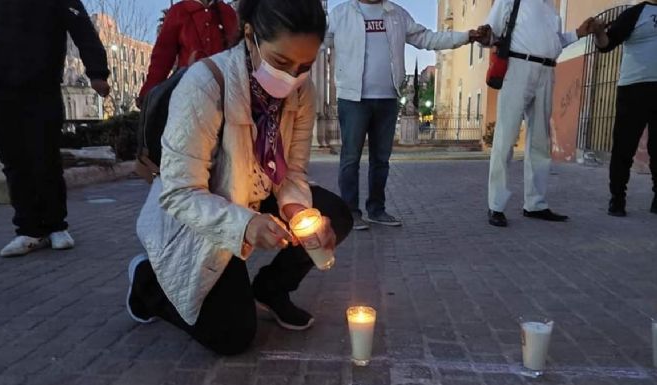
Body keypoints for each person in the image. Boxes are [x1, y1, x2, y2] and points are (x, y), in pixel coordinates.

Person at [129, 0, 353, 355]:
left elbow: (293, 171)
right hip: (206, 207)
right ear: (250, 35)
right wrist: (246, 226)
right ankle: (147, 282)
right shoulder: (206, 83)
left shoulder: (302, 91)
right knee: (231, 336)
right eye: (281, 62)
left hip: (256, 191)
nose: (292, 78)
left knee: (335, 216)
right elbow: (179, 192)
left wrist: (296, 211)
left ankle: (270, 289)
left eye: (304, 66)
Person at [326, 0, 489, 230]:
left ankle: (377, 210)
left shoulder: (396, 14)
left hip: (388, 98)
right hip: (353, 99)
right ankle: (350, 212)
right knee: (350, 159)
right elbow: (314, 38)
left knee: (381, 160)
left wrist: (466, 36)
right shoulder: (340, 14)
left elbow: (428, 38)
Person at [0, 0, 110, 256]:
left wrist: (97, 72)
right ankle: (28, 230)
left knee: (44, 155)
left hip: (41, 82)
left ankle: (56, 226)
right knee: (13, 159)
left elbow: (80, 24)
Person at [483, 0, 595, 227]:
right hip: (518, 66)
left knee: (540, 141)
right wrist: (485, 36)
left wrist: (578, 33)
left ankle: (535, 203)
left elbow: (555, 43)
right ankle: (496, 205)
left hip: (547, 70)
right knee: (505, 138)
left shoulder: (551, 9)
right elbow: (489, 33)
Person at [592, 0, 657, 217]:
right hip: (634, 88)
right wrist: (598, 32)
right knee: (624, 147)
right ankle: (617, 198)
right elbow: (606, 44)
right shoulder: (634, 14)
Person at [137, 0, 239, 104]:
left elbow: (239, 53)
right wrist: (149, 92)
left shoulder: (227, 12)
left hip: (224, 93)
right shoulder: (178, 12)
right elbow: (162, 57)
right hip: (189, 93)